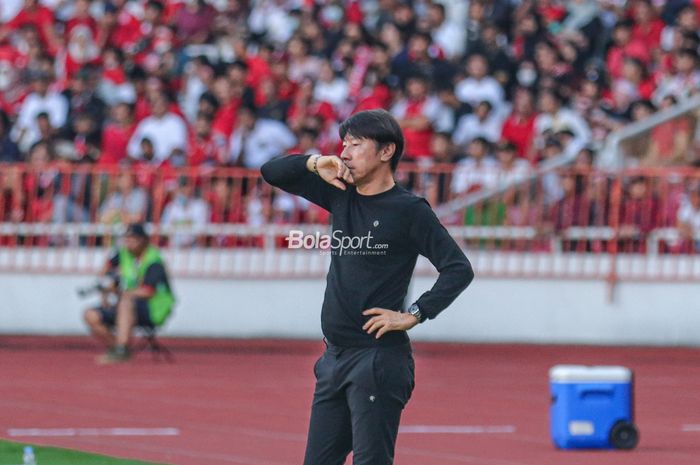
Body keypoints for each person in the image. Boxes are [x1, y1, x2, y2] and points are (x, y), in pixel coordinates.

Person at [260, 109, 474, 465]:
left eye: (356, 145)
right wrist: (315, 163)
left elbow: (457, 268)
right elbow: (271, 172)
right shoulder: (341, 193)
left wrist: (415, 314)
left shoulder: (409, 209)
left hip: (377, 361)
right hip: (334, 357)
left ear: (386, 151)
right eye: (344, 144)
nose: (344, 153)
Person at [83, 223, 175, 364]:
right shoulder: (124, 254)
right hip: (126, 306)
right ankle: (120, 348)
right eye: (126, 240)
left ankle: (121, 349)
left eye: (132, 240)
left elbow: (148, 291)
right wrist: (106, 289)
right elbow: (106, 268)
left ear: (143, 241)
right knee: (91, 315)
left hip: (152, 309)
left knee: (126, 300)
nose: (128, 244)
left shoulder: (153, 260)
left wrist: (124, 293)